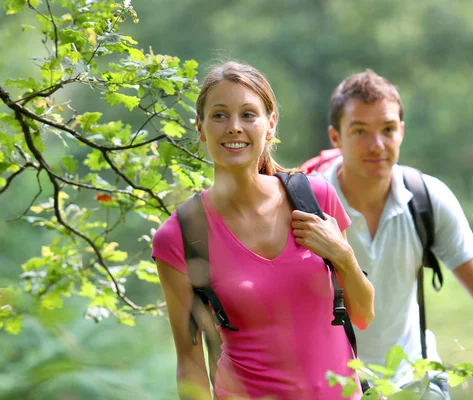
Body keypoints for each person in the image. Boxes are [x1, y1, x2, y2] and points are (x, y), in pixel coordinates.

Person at [151, 61, 375, 400]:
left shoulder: (314, 198)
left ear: (270, 125)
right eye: (219, 115)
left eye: (248, 115)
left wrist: (342, 256)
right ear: (200, 128)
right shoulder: (180, 236)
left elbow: (363, 314)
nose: (234, 127)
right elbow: (190, 363)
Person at [302, 69, 473, 399]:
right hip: (333, 385)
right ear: (335, 137)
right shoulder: (308, 203)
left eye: (388, 129)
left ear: (401, 131)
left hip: (416, 380)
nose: (377, 145)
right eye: (360, 131)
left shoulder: (427, 198)